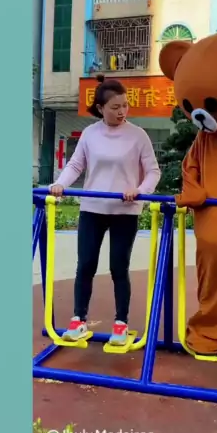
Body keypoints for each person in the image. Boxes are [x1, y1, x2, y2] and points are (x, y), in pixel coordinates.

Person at [49, 75, 161, 345]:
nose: (122, 111)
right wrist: (60, 184)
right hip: (92, 208)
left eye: (125, 105)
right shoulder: (90, 134)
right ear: (100, 108)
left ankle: (121, 323)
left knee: (118, 267)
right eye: (115, 107)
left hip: (125, 210)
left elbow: (153, 171)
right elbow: (76, 165)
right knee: (85, 264)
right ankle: (78, 320)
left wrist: (140, 190)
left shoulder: (138, 135)